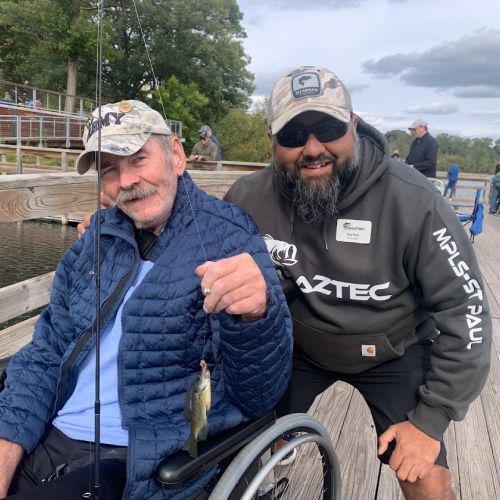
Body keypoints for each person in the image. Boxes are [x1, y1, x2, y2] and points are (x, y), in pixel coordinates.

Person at [0, 100, 292, 499]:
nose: (125, 182)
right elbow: (47, 352)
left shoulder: (231, 237)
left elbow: (258, 393)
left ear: (176, 154)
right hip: (46, 431)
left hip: (133, 460)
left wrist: (256, 317)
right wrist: (9, 439)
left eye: (138, 159)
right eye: (108, 170)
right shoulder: (93, 241)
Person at [224, 66, 491, 500]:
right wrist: (122, 226)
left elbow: (468, 313)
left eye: (327, 128)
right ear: (272, 141)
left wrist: (432, 419)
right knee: (235, 439)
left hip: (393, 351)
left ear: (353, 124)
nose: (313, 148)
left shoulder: (416, 201)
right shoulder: (247, 196)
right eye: (293, 135)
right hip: (297, 347)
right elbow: (196, 243)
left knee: (422, 472)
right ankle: (275, 452)